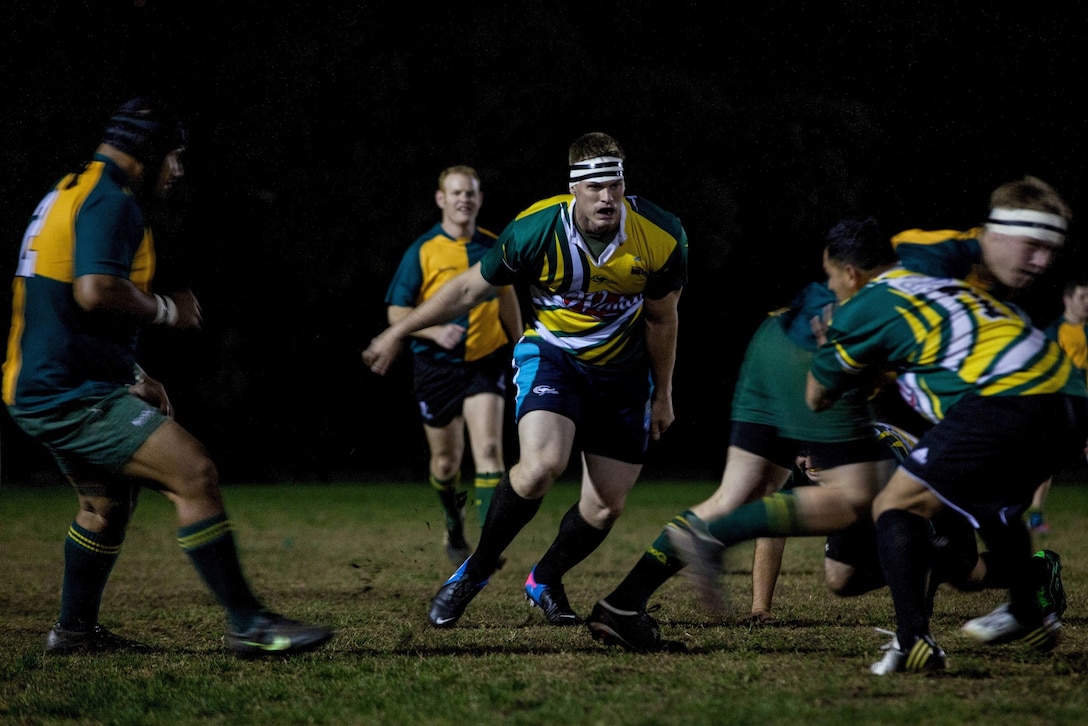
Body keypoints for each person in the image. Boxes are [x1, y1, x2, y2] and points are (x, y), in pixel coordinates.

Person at [3, 98, 334, 657]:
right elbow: (94, 291)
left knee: (103, 507)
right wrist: (166, 310)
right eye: (175, 156)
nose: (178, 170)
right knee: (194, 472)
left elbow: (63, 307)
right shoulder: (112, 201)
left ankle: (74, 633)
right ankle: (248, 624)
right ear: (148, 151)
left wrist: (132, 370)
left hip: (45, 383)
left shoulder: (72, 188)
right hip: (68, 393)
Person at [363, 132, 687, 628]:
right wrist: (398, 331)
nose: (606, 197)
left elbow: (662, 319)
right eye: (595, 185)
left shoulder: (662, 235)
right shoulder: (535, 229)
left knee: (605, 508)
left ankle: (545, 577)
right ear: (574, 188)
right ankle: (473, 572)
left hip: (622, 374)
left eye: (615, 185)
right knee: (540, 466)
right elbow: (470, 288)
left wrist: (663, 393)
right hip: (554, 357)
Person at [585, 216, 896, 652]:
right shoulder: (900, 286)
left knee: (732, 497)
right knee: (860, 495)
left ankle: (623, 603)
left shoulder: (864, 277)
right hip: (813, 357)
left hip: (770, 340)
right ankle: (715, 537)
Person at [807, 253, 1088, 674]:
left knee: (899, 508)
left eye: (831, 277)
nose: (830, 289)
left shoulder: (878, 304)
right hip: (1052, 403)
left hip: (1001, 407)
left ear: (852, 274)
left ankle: (914, 642)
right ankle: (1029, 602)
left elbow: (818, 394)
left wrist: (833, 352)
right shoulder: (937, 296)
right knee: (966, 541)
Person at [384, 165, 522, 565]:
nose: (464, 199)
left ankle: (489, 544)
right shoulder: (424, 250)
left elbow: (506, 297)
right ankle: (453, 521)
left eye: (471, 193)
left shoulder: (495, 245)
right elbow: (396, 312)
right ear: (441, 199)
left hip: (485, 361)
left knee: (491, 450)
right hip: (436, 366)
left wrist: (520, 342)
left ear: (479, 199)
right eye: (456, 193)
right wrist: (433, 332)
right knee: (445, 463)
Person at [1030, 279, 1088, 535]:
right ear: (1067, 299)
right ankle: (1034, 514)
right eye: (1083, 297)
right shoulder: (1055, 332)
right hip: (1062, 405)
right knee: (1045, 463)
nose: (1087, 303)